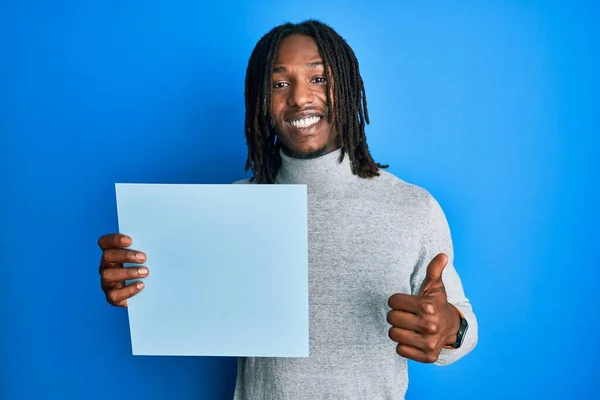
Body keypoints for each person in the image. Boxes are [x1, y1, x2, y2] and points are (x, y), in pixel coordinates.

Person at [97, 19, 478, 399]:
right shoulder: (230, 208)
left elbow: (462, 324)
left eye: (318, 79)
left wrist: (449, 329)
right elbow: (183, 302)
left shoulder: (411, 207)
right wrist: (134, 283)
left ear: (346, 87)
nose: (299, 98)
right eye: (280, 84)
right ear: (261, 102)